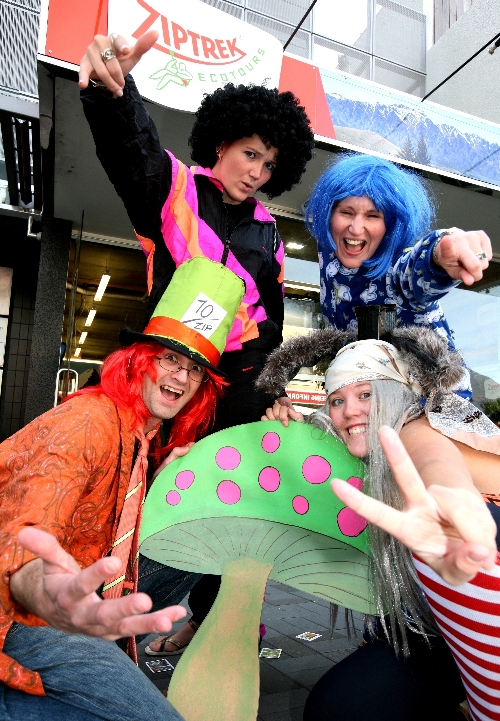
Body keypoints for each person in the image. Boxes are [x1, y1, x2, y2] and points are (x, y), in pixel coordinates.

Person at [78, 28, 313, 655]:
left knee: (221, 503)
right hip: (154, 379)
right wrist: (113, 96)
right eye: (249, 154)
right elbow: (134, 152)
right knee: (121, 499)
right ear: (221, 143)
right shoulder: (175, 190)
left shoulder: (270, 240)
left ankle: (205, 619)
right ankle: (92, 618)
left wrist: (270, 397)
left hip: (222, 392)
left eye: (269, 164)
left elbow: (266, 337)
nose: (257, 172)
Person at [0, 258, 243, 721]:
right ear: (138, 361)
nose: (180, 377)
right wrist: (55, 600)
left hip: (87, 593)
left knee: (201, 531)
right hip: (23, 612)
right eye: (170, 358)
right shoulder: (87, 422)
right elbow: (20, 544)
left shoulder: (140, 436)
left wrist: (163, 486)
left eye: (194, 369)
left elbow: (116, 517)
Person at [258, 325, 500, 721]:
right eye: (336, 400)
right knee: (339, 708)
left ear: (396, 397)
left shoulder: (414, 429)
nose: (349, 410)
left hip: (485, 594)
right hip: (436, 630)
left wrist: (453, 500)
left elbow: (436, 462)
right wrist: (288, 429)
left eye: (366, 394)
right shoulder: (362, 451)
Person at [306, 154, 492, 399]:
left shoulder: (395, 270)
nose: (356, 227)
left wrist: (440, 251)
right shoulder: (330, 254)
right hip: (362, 401)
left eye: (373, 216)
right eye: (346, 212)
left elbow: (416, 269)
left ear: (392, 225)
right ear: (329, 215)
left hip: (430, 414)